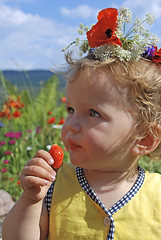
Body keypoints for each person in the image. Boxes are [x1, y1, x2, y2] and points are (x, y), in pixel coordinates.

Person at [2, 7, 161, 240]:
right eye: (71, 110)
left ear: (144, 138)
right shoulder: (54, 187)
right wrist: (30, 199)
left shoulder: (157, 195)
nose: (71, 125)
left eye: (93, 113)